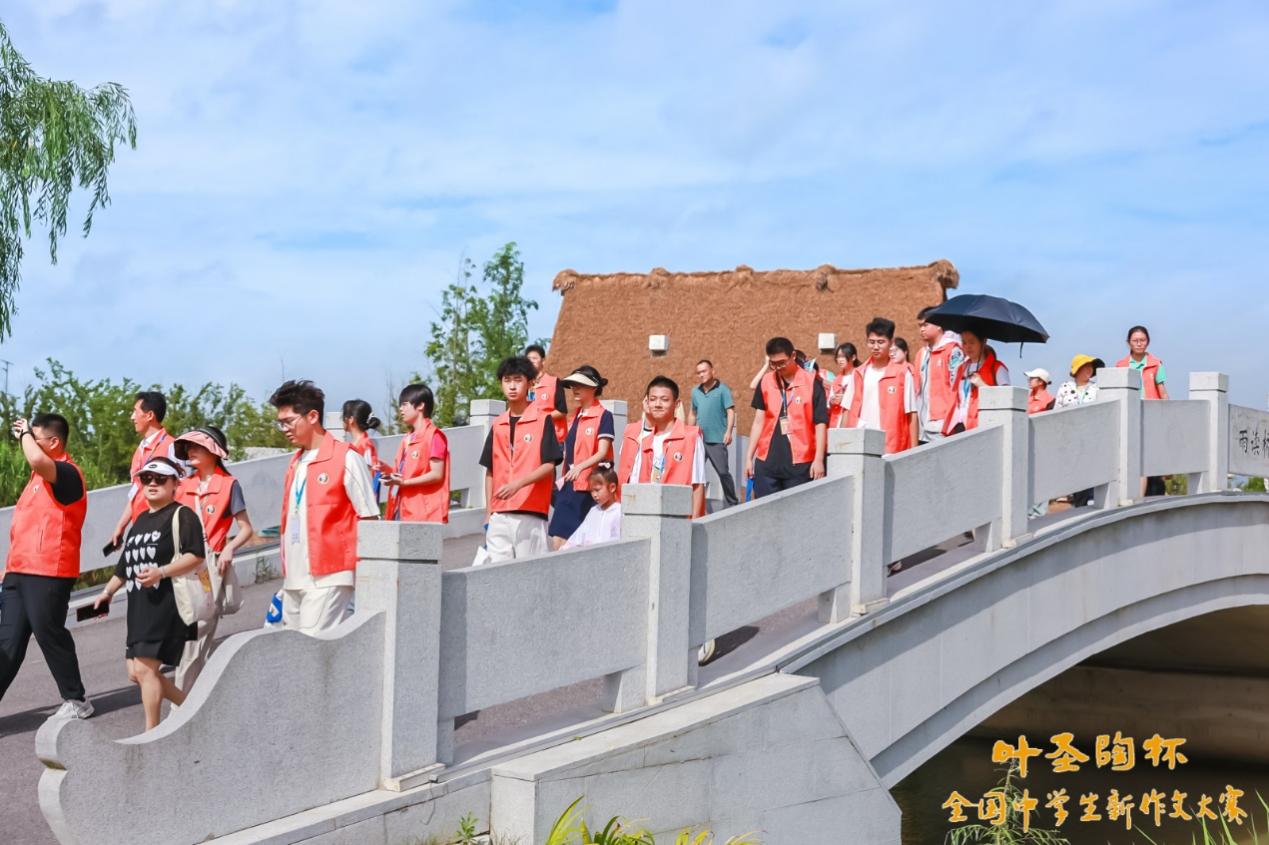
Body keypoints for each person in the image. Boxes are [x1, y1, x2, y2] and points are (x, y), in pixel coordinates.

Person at [92, 456, 204, 731]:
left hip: (167, 604)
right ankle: (194, 712)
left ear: (175, 483)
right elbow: (125, 566)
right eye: (146, 479)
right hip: (140, 607)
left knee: (146, 670)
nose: (152, 484)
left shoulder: (182, 515)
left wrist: (161, 572)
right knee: (136, 673)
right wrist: (107, 593)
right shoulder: (140, 519)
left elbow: (196, 556)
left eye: (160, 479)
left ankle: (151, 733)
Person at [0, 414, 92, 718]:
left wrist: (25, 431)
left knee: (48, 631)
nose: (26, 442)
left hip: (49, 569)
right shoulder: (36, 481)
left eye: (33, 437)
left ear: (53, 442)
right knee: (8, 643)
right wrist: (9, 568)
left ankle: (76, 700)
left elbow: (38, 460)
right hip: (19, 571)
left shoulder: (67, 473)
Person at [270, 380, 380, 634]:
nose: (284, 429)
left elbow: (370, 518)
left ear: (312, 416)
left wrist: (368, 576)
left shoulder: (346, 457)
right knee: (293, 649)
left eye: (289, 421)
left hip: (330, 576)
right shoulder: (296, 462)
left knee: (312, 646)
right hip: (294, 577)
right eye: (280, 423)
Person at [173, 427, 255, 691]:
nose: (190, 451)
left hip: (210, 567)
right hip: (182, 564)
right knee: (194, 634)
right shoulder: (183, 486)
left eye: (197, 446)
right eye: (189, 447)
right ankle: (200, 695)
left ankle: (184, 701)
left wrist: (230, 548)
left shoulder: (229, 485)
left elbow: (246, 529)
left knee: (199, 628)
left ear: (214, 451)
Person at [480, 356, 564, 562]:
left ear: (530, 383)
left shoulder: (543, 420)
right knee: (495, 574)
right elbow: (490, 471)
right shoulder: (498, 424)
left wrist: (518, 484)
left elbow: (549, 465)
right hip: (499, 515)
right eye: (507, 380)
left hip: (531, 513)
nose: (512, 386)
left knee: (532, 575)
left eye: (518, 380)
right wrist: (489, 512)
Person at [744, 337, 828, 498]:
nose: (778, 368)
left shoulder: (812, 383)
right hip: (767, 462)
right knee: (765, 510)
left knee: (796, 511)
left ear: (793, 356)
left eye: (782, 363)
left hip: (801, 463)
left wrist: (818, 460)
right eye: (773, 364)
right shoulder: (766, 381)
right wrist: (749, 457)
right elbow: (758, 422)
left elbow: (820, 423)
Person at [618, 376, 707, 517]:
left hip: (678, 518)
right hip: (646, 516)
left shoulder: (691, 436)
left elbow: (698, 485)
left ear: (677, 404)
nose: (657, 404)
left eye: (664, 400)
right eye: (652, 399)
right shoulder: (644, 441)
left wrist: (694, 524)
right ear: (647, 402)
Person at [549, 366, 615, 548]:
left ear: (594, 387)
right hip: (570, 485)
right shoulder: (575, 417)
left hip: (589, 487)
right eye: (573, 385)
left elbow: (602, 452)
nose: (575, 389)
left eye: (580, 385)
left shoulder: (604, 416)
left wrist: (580, 467)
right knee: (559, 539)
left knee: (579, 542)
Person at [110, 391, 177, 549]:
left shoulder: (172, 446)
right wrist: (122, 525)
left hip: (165, 531)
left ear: (149, 415)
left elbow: (184, 490)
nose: (132, 417)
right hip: (142, 528)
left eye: (135, 411)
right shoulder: (139, 451)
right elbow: (136, 492)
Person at [381, 383, 450, 524]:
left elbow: (437, 474)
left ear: (420, 406)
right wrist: (387, 471)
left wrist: (404, 483)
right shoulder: (407, 438)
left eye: (404, 404)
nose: (401, 409)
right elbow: (405, 473)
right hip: (402, 508)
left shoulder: (434, 436)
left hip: (424, 514)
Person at [850, 318, 919, 454]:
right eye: (871, 342)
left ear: (891, 343)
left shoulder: (903, 373)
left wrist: (914, 451)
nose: (875, 347)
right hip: (863, 444)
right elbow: (848, 410)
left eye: (881, 342)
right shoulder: (859, 373)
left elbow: (912, 414)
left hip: (892, 447)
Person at [1117, 325, 1169, 496]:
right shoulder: (1121, 365)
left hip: (1151, 416)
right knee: (1133, 455)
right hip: (1129, 415)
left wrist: (1167, 415)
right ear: (1128, 343)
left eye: (1142, 340)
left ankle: (1146, 496)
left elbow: (1162, 391)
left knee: (1149, 456)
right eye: (1135, 340)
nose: (1139, 343)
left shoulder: (1156, 364)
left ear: (1148, 342)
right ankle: (1135, 497)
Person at [688, 359, 739, 509]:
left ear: (712, 371)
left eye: (704, 371)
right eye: (698, 372)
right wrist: (689, 434)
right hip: (699, 440)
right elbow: (693, 413)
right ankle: (689, 503)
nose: (701, 375)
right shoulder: (695, 392)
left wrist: (729, 432)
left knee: (723, 473)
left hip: (717, 440)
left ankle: (733, 503)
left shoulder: (723, 390)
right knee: (692, 473)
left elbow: (730, 412)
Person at [943, 327, 1010, 435]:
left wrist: (982, 385)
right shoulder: (961, 368)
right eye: (964, 342)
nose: (967, 347)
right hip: (958, 426)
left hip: (982, 427)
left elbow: (1007, 399)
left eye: (972, 342)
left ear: (983, 341)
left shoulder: (997, 368)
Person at [1056, 356, 1103, 507]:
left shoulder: (1097, 388)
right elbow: (1057, 411)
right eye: (1085, 366)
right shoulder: (1064, 387)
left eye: (1091, 367)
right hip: (1070, 437)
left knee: (1090, 470)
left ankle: (1089, 501)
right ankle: (1079, 503)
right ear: (1077, 370)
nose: (1089, 370)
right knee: (1075, 474)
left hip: (1091, 437)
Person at [916, 307, 964, 443]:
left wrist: (951, 420)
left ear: (939, 325)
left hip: (943, 425)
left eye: (925, 325)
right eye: (920, 326)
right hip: (923, 426)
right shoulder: (922, 353)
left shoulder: (953, 350)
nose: (922, 329)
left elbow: (957, 387)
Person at [561, 466, 622, 549]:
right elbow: (578, 537)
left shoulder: (619, 512)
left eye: (597, 490)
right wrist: (564, 549)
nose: (594, 495)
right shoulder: (593, 511)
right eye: (591, 491)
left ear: (612, 488)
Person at [525, 343, 569, 443]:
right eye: (528, 359)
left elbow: (562, 411)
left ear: (543, 361)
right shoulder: (526, 385)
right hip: (532, 439)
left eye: (534, 358)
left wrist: (541, 418)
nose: (531, 361)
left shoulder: (554, 382)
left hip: (553, 439)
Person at [342, 399, 382, 495]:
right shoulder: (358, 444)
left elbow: (370, 474)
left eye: (343, 417)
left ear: (350, 420)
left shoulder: (365, 444)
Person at [828, 342, 860, 429]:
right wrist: (832, 401)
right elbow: (829, 402)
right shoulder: (836, 379)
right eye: (838, 356)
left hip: (853, 421)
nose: (840, 360)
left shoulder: (860, 376)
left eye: (843, 356)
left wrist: (845, 399)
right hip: (836, 422)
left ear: (853, 357)